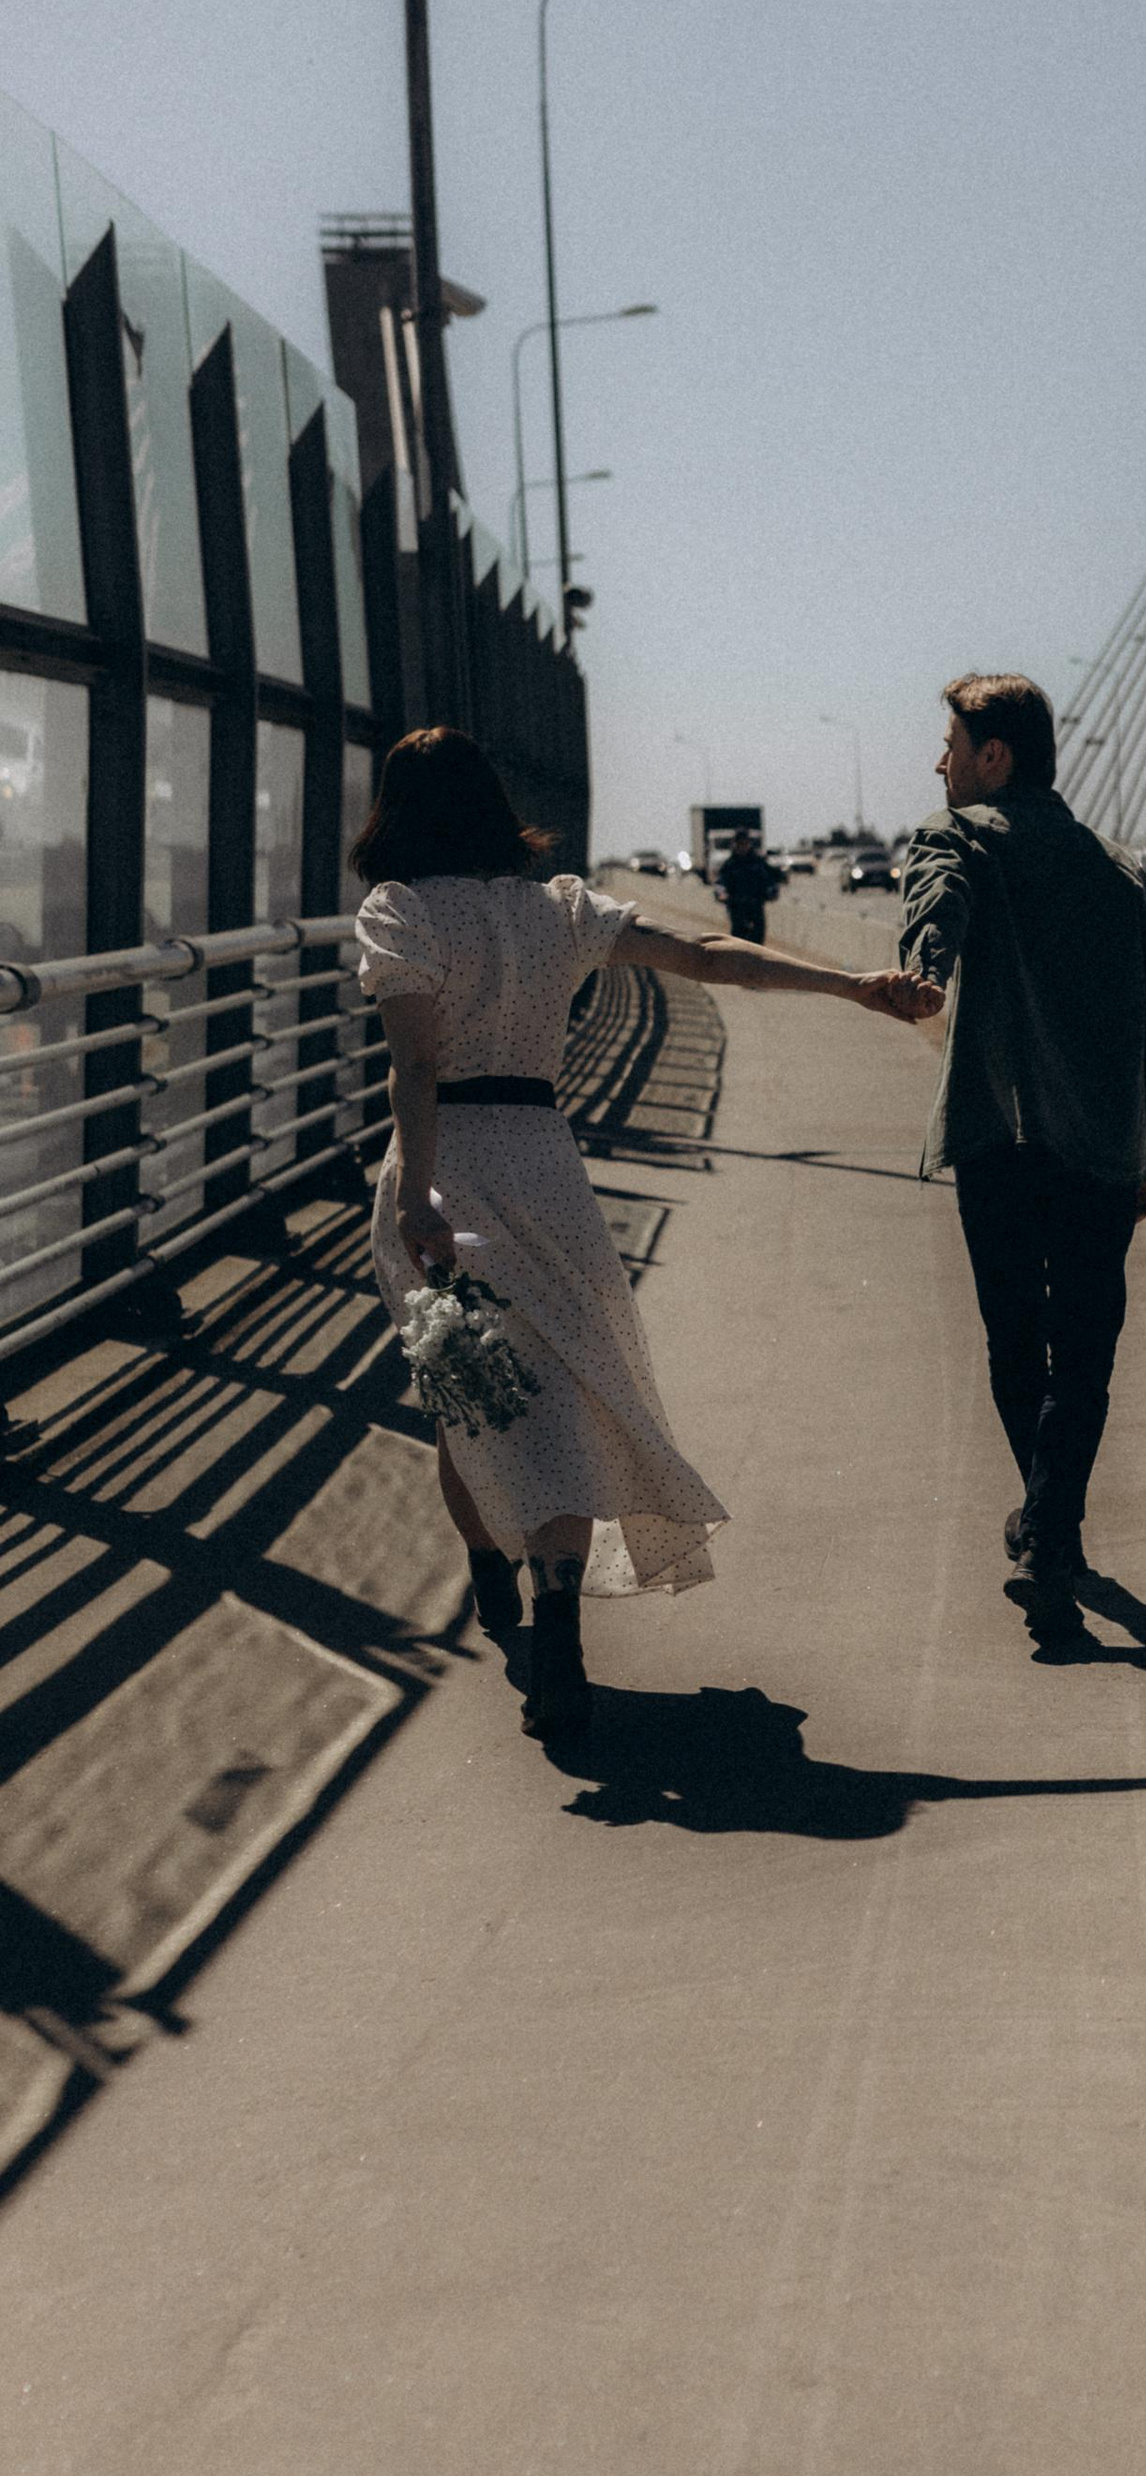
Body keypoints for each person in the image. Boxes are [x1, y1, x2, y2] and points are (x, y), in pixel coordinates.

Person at [357, 727, 929, 1746]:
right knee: (568, 1395)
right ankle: (559, 1615)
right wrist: (851, 986)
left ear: (396, 813)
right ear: (492, 807)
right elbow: (708, 958)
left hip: (445, 1165)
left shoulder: (398, 911)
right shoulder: (562, 908)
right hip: (545, 1167)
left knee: (466, 1395)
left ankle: (489, 1562)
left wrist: (413, 1202)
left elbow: (416, 1067)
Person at [896, 672, 1146, 1654]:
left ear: (993, 756)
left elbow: (937, 907)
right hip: (1101, 1146)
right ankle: (1051, 1530)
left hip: (1000, 1140)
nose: (938, 762)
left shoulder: (957, 837)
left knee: (1015, 1343)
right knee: (1085, 1353)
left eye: (950, 745)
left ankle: (1047, 1532)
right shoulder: (1122, 870)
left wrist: (923, 970)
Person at [715, 831, 780, 942]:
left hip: (756, 904)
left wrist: (772, 890)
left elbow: (771, 878)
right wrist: (721, 894)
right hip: (737, 906)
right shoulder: (730, 864)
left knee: (758, 937)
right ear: (734, 845)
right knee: (739, 938)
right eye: (740, 844)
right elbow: (720, 883)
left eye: (745, 843)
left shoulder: (758, 862)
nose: (742, 847)